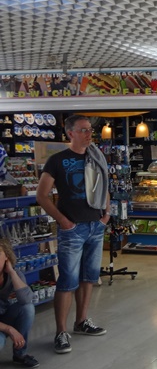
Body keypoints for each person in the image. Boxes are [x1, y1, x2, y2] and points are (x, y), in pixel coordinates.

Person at [36, 115, 110, 354]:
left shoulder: (96, 157)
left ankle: (81, 321)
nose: (89, 134)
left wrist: (106, 215)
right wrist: (63, 221)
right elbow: (42, 195)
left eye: (90, 130)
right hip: (72, 229)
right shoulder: (57, 160)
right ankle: (61, 331)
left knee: (89, 277)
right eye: (84, 130)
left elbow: (104, 187)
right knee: (67, 281)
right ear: (70, 133)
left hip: (95, 226)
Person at [0, 239, 39, 368]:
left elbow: (27, 300)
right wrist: (9, 329)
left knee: (27, 309)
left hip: (4, 315)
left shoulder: (14, 274)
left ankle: (20, 354)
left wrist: (11, 271)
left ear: (6, 256)